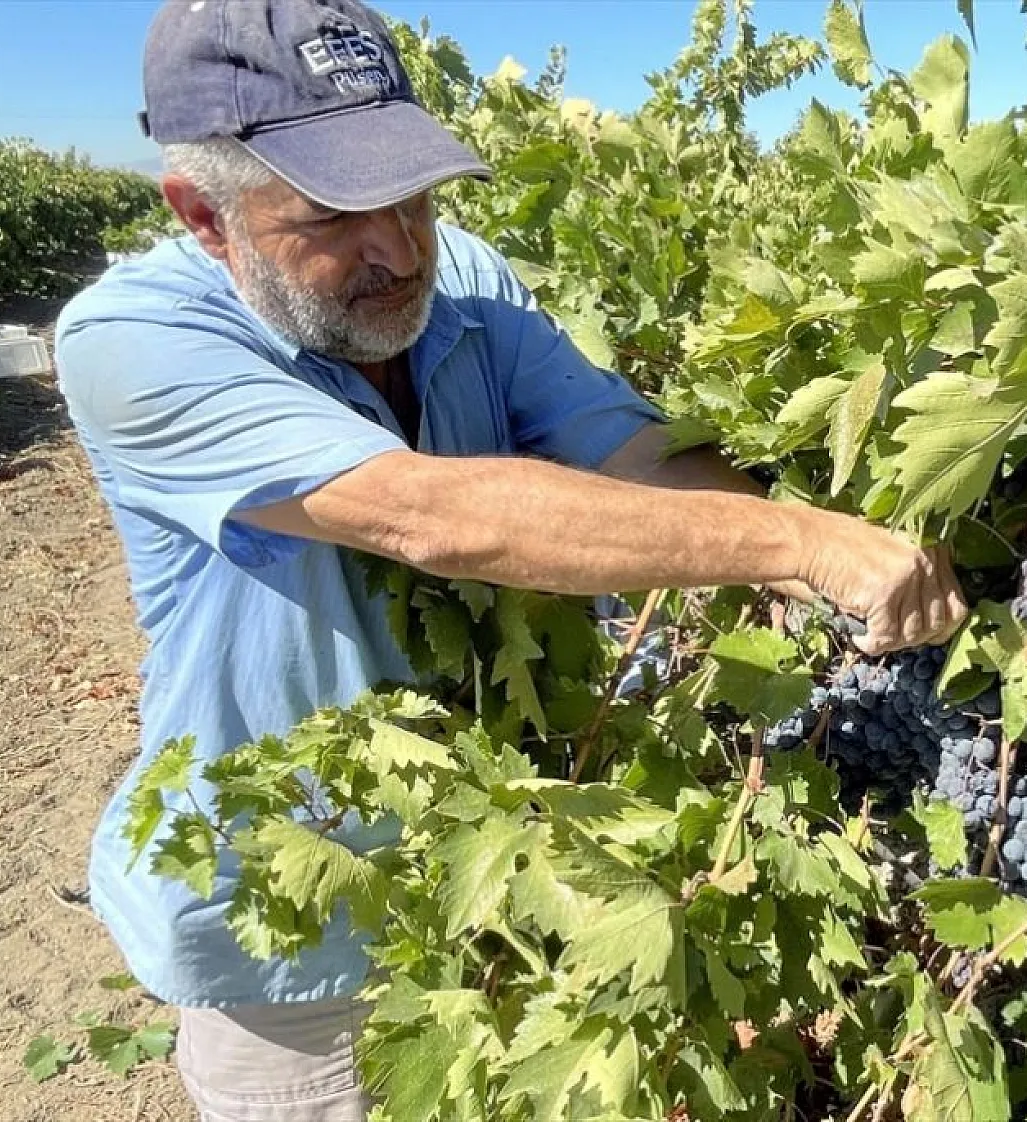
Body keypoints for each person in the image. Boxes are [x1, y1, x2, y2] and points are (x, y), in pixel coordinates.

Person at [54, 1, 967, 1117]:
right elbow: (418, 514)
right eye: (336, 213)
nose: (396, 246)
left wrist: (816, 561)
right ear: (205, 215)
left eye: (410, 192)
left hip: (512, 862)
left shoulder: (466, 278)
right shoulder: (131, 342)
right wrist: (798, 541)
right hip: (297, 930)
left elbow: (629, 452)